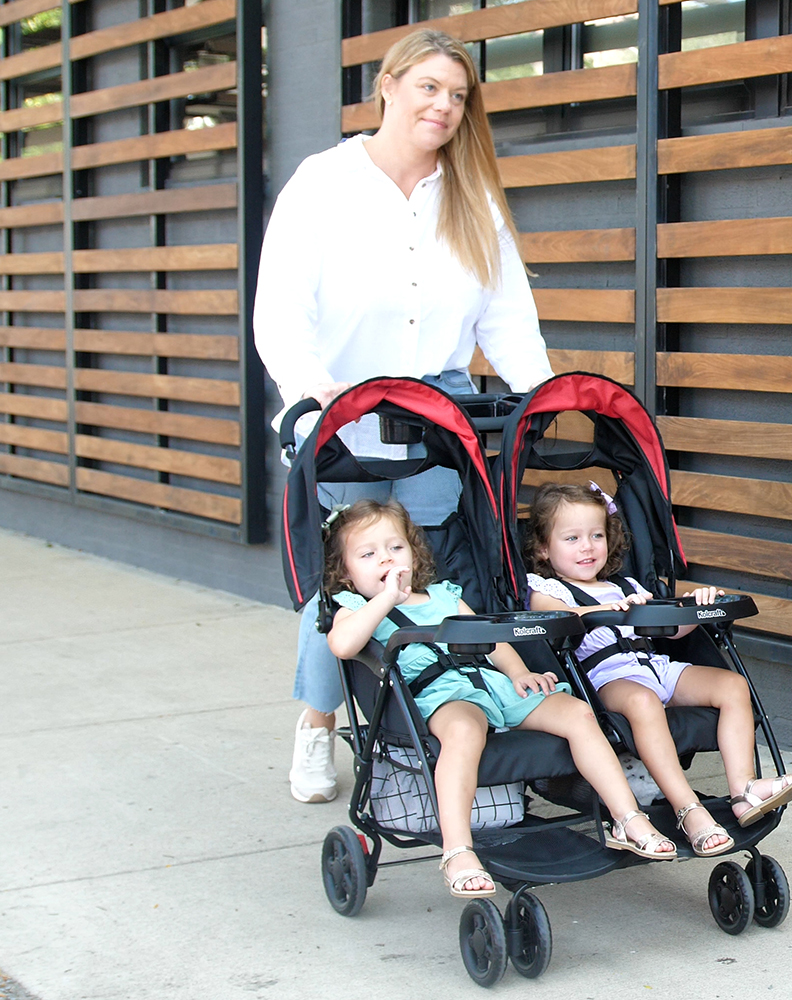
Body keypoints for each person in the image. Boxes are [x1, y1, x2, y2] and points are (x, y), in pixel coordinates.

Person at [253, 28, 553, 803]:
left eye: (458, 95)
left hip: (437, 421)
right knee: (349, 585)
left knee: (435, 576)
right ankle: (319, 726)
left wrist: (540, 396)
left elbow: (508, 316)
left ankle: (438, 721)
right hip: (344, 414)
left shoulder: (471, 195)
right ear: (387, 85)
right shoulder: (323, 184)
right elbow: (280, 311)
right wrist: (312, 395)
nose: (444, 106)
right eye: (429, 87)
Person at [324, 499, 677, 897]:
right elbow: (343, 645)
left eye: (395, 548)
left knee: (577, 712)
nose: (386, 560)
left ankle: (626, 818)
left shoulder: (442, 595)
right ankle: (457, 849)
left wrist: (519, 672)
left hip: (492, 684)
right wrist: (386, 599)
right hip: (443, 694)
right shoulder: (353, 607)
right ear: (347, 572)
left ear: (413, 552)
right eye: (369, 555)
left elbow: (490, 641)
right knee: (462, 730)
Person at [524, 483, 792, 857]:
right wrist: (617, 610)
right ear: (544, 548)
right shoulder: (547, 589)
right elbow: (560, 619)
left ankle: (744, 790)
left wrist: (692, 606)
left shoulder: (624, 584)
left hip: (655, 666)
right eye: (572, 538)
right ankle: (687, 808)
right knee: (643, 702)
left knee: (732, 685)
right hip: (608, 679)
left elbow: (671, 630)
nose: (587, 547)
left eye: (596, 535)